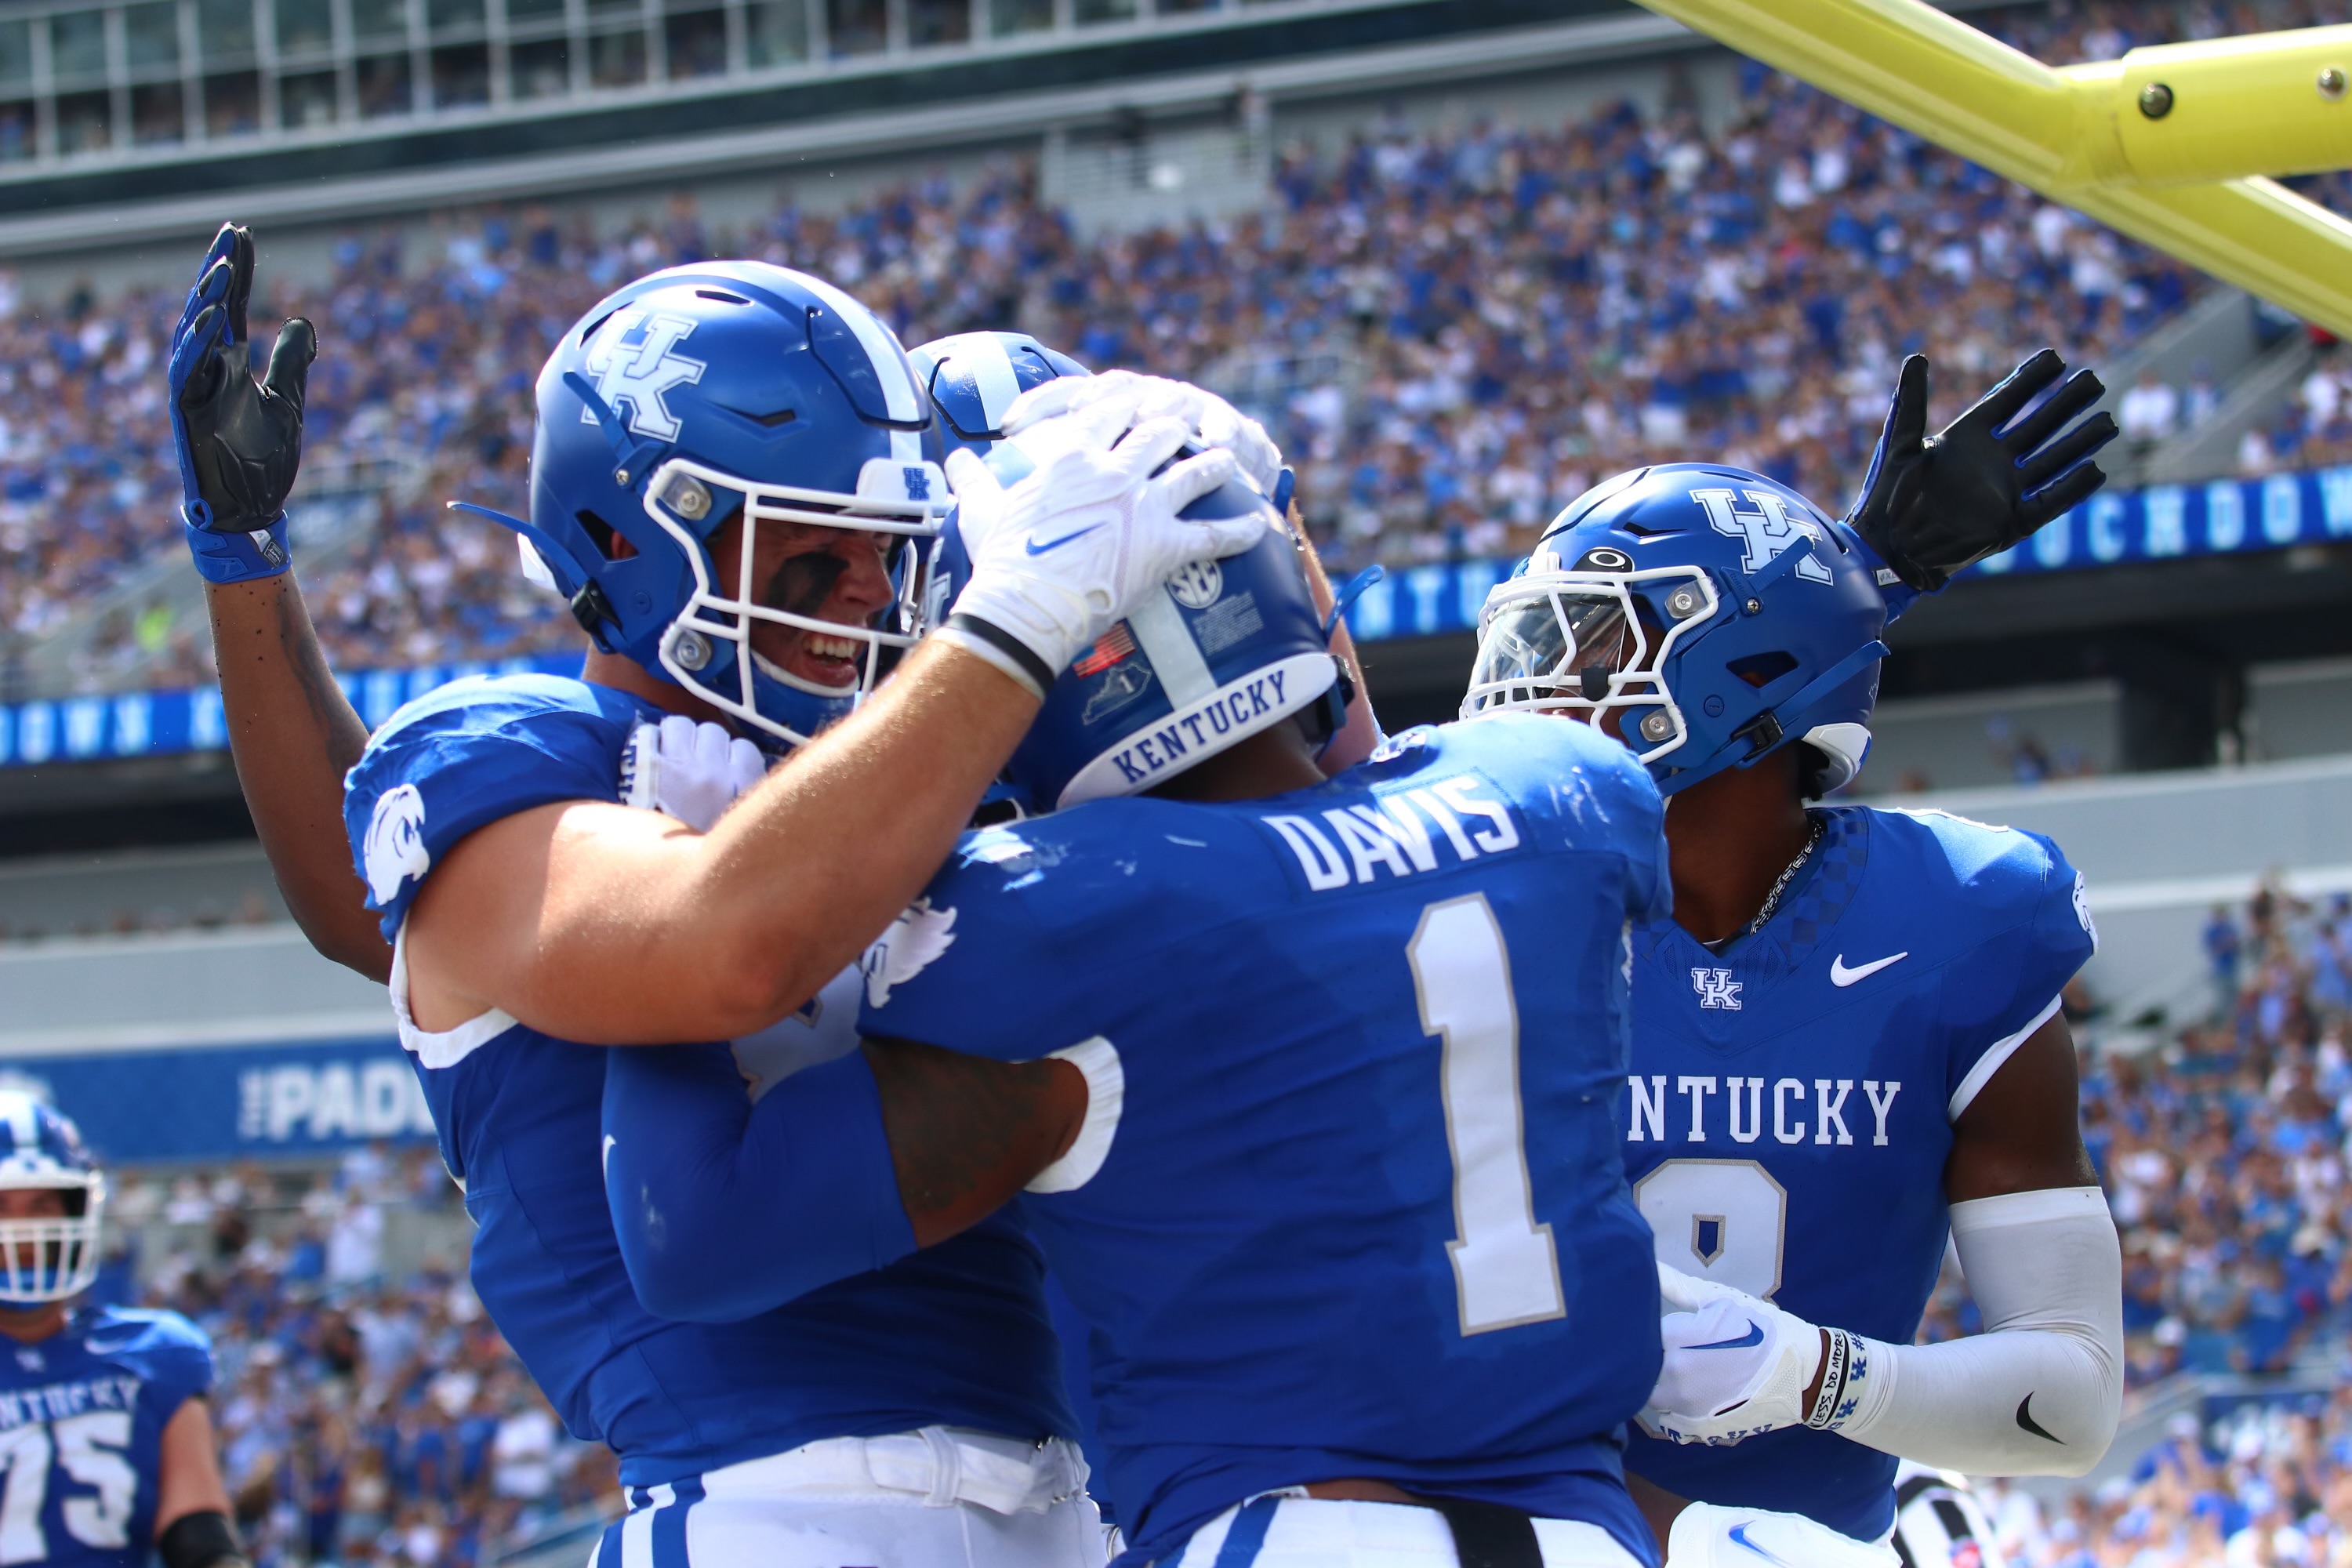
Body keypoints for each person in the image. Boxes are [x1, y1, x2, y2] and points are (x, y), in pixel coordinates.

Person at [168, 224, 1268, 1566]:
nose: (868, 592)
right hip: (778, 1505)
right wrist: (245, 567)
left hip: (1080, 1496)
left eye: (890, 551)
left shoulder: (895, 769)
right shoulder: (514, 759)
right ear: (637, 533)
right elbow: (711, 950)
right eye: (815, 549)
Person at [597, 422, 1683, 1568]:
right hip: (1591, 1536)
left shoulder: (1058, 913)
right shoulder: (1563, 787)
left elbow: (697, 1238)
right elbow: (1347, 871)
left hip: (1293, 1532)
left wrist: (688, 885)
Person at [1460, 352, 2126, 1559]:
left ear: (1743, 677)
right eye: (1536, 646)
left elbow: (2071, 1401)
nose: (1537, 692)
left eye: (1597, 650)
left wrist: (1814, 1378)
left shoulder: (1959, 919)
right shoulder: (1490, 900)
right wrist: (1859, 579)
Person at [0, 1091, 248, 1568]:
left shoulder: (153, 1353)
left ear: (75, 1212)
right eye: (2, 1205)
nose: (21, 1230)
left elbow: (197, 1537)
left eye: (40, 1205)